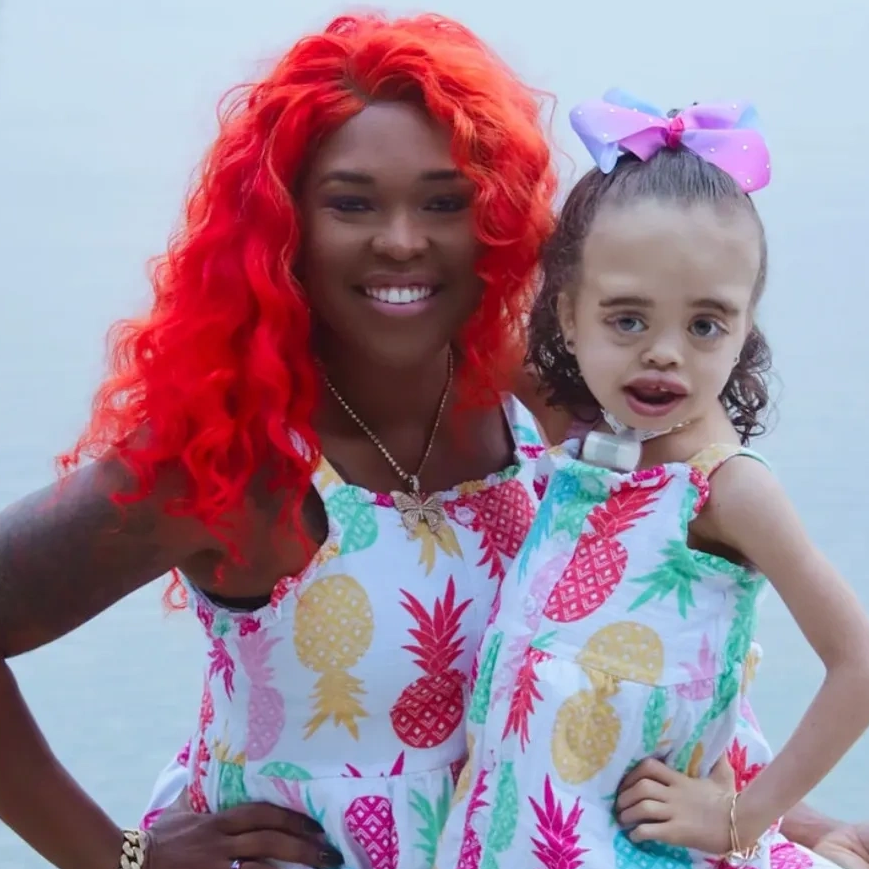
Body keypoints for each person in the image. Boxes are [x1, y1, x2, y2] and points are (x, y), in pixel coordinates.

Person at [0, 14, 865, 869]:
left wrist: (778, 818)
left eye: (443, 202)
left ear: (492, 214)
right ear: (281, 223)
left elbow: (624, 679)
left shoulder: (542, 401)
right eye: (352, 202)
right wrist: (114, 854)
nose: (403, 239)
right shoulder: (233, 456)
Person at [433, 91, 869, 869]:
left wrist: (744, 815)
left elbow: (859, 660)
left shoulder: (723, 490)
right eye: (627, 319)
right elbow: (458, 320)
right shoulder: (587, 437)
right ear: (567, 316)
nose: (664, 353)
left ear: (742, 326)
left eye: (704, 324)